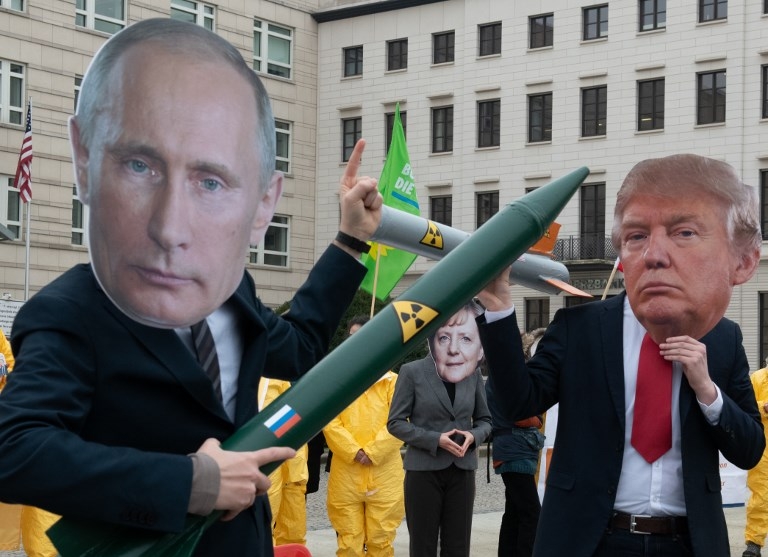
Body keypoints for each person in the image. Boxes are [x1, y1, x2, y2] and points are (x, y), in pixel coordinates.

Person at [0, 18, 382, 557]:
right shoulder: (71, 312)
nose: (170, 227)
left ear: (263, 204)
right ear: (85, 162)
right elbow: (13, 451)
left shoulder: (233, 293)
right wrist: (191, 481)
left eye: (209, 181)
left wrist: (349, 244)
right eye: (139, 165)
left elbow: (299, 348)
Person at [476, 153, 765, 557]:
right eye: (636, 236)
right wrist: (498, 308)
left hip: (686, 542)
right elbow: (517, 402)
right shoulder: (579, 328)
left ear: (742, 261)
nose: (655, 255)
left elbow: (750, 449)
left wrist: (707, 390)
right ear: (623, 256)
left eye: (684, 233)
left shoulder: (722, 339)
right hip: (591, 541)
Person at [387, 302, 493, 557]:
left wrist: (473, 435)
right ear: (433, 338)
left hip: (462, 470)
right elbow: (395, 422)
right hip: (424, 470)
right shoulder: (412, 372)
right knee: (423, 545)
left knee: (458, 546)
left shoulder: (472, 373)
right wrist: (435, 439)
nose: (453, 346)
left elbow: (486, 421)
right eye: (445, 336)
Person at [323, 315, 404, 557]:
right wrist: (354, 452)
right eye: (352, 337)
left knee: (382, 540)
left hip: (384, 475)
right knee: (349, 542)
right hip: (346, 474)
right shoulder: (337, 381)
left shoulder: (393, 383)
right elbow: (329, 420)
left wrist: (372, 452)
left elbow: (400, 421)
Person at [485, 329, 546, 557]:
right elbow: (522, 415)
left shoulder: (499, 374)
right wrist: (537, 418)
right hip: (515, 447)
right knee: (531, 513)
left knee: (514, 511)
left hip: (511, 447)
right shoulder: (507, 375)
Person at [258, 377, 309, 547]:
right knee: (261, 530)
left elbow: (291, 418)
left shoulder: (275, 378)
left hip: (288, 468)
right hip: (260, 467)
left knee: (292, 531)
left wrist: (296, 471)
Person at [743, 364, 768, 557]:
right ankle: (754, 543)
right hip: (764, 447)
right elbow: (745, 408)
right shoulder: (758, 378)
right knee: (760, 495)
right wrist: (764, 407)